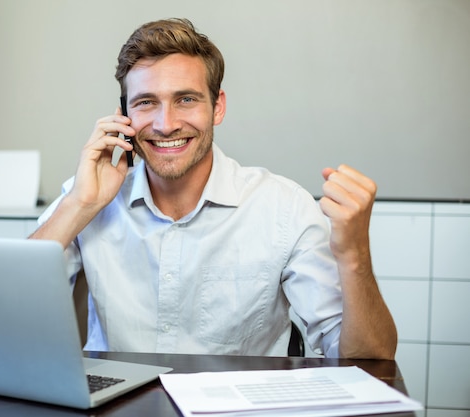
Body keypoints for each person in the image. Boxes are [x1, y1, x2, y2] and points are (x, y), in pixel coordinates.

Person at [31, 18, 397, 359]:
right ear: (124, 116)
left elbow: (365, 360)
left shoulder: (285, 208)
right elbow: (1, 316)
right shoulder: (87, 197)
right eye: (146, 103)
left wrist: (355, 255)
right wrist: (79, 204)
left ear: (217, 107)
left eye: (186, 99)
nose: (166, 124)